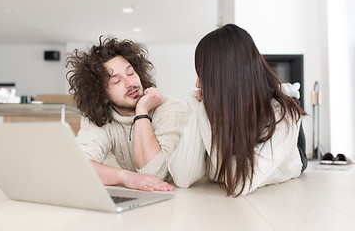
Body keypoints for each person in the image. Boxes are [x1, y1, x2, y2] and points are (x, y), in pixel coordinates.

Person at [168, 24, 307, 196]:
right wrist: (198, 108)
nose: (197, 84)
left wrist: (204, 113)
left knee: (283, 108)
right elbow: (183, 177)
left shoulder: (284, 115)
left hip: (290, 154)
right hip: (240, 113)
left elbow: (240, 183)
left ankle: (283, 93)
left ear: (225, 76)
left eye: (203, 74)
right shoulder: (207, 106)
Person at [66, 36, 187, 192]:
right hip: (148, 198)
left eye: (130, 73)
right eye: (116, 81)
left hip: (187, 198)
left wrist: (142, 111)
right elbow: (77, 165)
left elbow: (155, 173)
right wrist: (124, 176)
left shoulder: (171, 108)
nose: (131, 84)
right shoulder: (103, 117)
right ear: (102, 96)